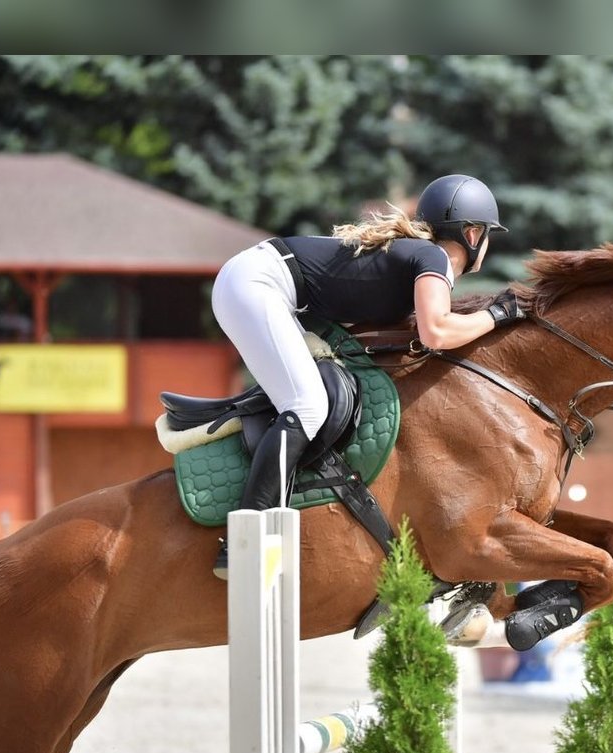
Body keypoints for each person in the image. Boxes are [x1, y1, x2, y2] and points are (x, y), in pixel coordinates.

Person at [210, 174, 525, 577]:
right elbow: (437, 332)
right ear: (472, 232)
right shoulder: (434, 259)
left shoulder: (417, 259)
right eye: (487, 235)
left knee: (314, 397)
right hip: (257, 283)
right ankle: (244, 540)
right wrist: (497, 316)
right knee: (308, 405)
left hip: (260, 281)